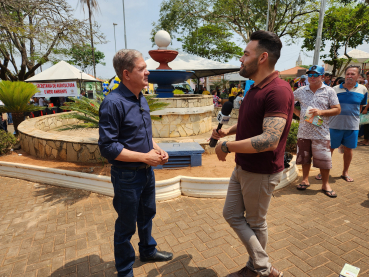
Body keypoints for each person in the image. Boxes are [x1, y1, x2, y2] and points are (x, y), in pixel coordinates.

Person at [211, 30, 294, 277]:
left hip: (260, 170)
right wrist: (228, 132)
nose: (241, 59)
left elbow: (269, 139)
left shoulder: (278, 91)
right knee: (231, 214)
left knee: (256, 222)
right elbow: (251, 122)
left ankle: (258, 268)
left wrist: (226, 147)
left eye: (246, 54)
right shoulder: (256, 88)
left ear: (262, 57)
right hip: (244, 166)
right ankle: (262, 267)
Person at [98, 49, 173, 277]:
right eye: (142, 69)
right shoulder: (113, 103)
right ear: (126, 73)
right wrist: (144, 157)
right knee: (126, 225)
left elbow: (141, 134)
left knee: (147, 214)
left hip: (146, 172)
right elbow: (107, 147)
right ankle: (124, 270)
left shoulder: (140, 97)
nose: (147, 72)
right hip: (126, 176)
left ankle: (148, 250)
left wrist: (157, 148)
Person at [293, 65, 341, 197]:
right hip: (303, 131)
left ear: (322, 76)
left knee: (324, 160)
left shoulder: (329, 91)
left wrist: (321, 112)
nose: (312, 77)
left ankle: (325, 184)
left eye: (315, 75)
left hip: (321, 132)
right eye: (310, 75)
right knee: (304, 158)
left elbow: (337, 109)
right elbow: (288, 100)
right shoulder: (301, 90)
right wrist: (297, 112)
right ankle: (305, 179)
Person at [329, 65, 368, 182]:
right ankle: (324, 171)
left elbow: (361, 107)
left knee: (349, 150)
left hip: (352, 126)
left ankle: (345, 172)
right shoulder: (334, 89)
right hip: (334, 125)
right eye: (348, 74)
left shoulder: (363, 90)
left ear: (358, 76)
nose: (349, 76)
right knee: (329, 149)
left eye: (353, 74)